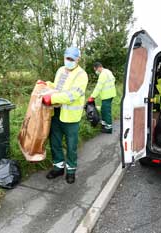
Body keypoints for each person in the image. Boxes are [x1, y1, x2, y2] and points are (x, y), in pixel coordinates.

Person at [39, 47, 88, 184]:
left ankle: (71, 170)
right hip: (56, 112)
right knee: (55, 142)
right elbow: (57, 87)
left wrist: (52, 99)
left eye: (72, 59)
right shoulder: (60, 70)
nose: (69, 61)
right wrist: (46, 84)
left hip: (71, 117)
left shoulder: (81, 75)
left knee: (71, 145)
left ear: (78, 59)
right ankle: (58, 168)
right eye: (67, 58)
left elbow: (73, 94)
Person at [88, 62, 117, 134]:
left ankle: (109, 128)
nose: (96, 72)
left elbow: (98, 87)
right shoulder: (108, 71)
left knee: (106, 111)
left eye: (95, 70)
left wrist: (92, 97)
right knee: (103, 110)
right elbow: (113, 80)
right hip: (110, 94)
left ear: (98, 68)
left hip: (107, 96)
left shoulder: (102, 75)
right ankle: (104, 125)